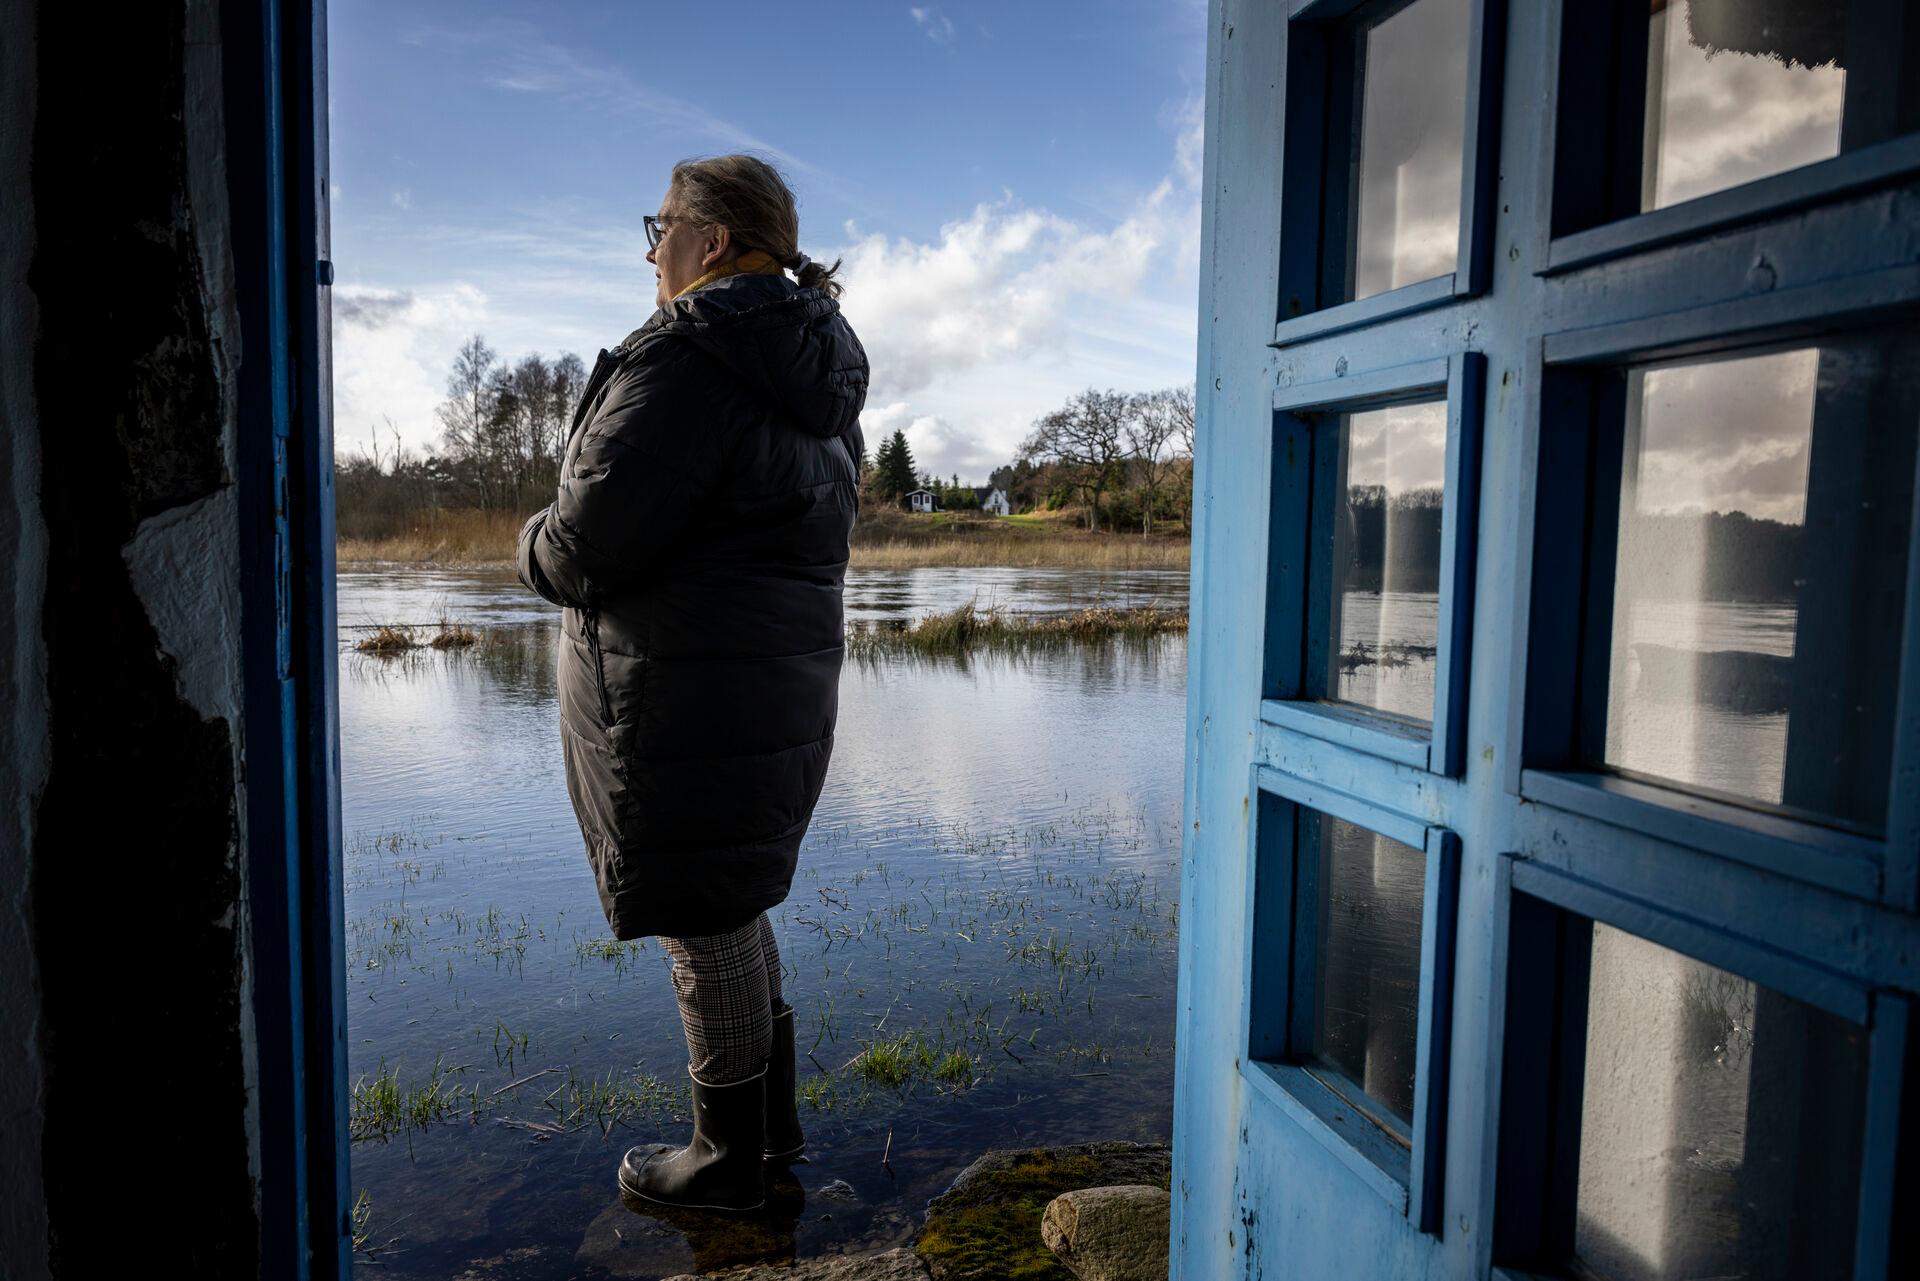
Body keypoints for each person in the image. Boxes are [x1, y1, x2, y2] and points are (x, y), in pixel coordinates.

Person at [515, 154, 867, 1212]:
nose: (650, 247)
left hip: (685, 696)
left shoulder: (688, 362)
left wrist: (527, 536)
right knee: (733, 900)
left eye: (659, 225)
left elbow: (585, 548)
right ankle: (769, 1132)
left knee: (704, 920)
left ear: (711, 242)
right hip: (769, 687)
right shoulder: (810, 369)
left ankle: (725, 1161)